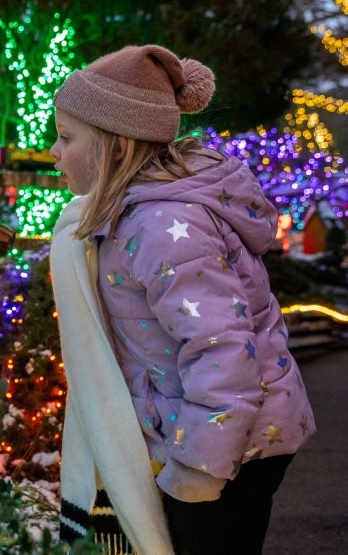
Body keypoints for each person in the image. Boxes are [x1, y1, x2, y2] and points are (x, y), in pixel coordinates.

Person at [48, 44, 316, 555]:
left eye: (66, 138)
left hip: (231, 447)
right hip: (213, 433)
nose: (55, 153)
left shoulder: (165, 227)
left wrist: (199, 467)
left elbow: (222, 349)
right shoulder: (135, 215)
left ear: (117, 147)